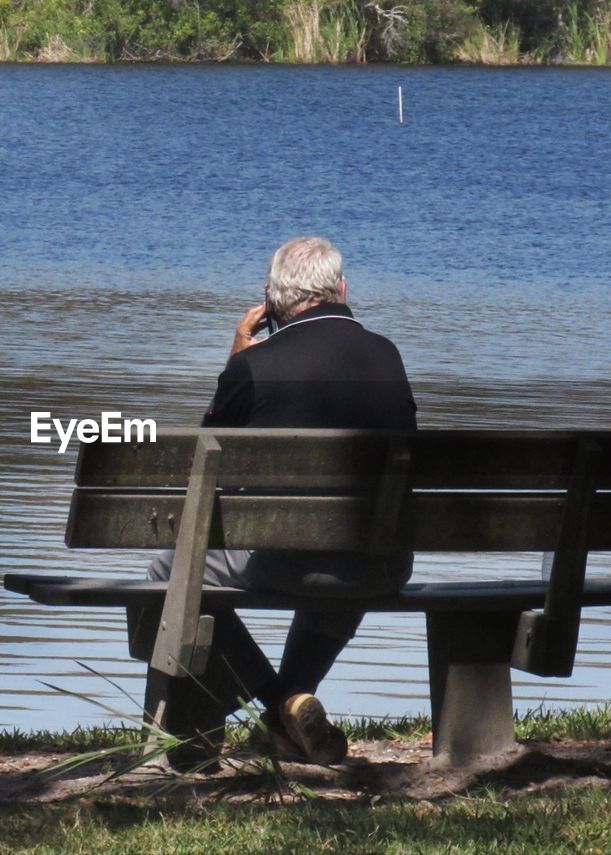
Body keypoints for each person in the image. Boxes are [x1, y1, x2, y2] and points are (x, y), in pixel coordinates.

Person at [148, 236, 418, 764]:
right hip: (383, 565)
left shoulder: (254, 366)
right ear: (342, 290)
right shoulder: (388, 355)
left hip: (287, 563)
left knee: (169, 570)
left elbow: (201, 473)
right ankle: (289, 717)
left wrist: (235, 362)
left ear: (271, 304)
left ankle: (277, 704)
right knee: (348, 557)